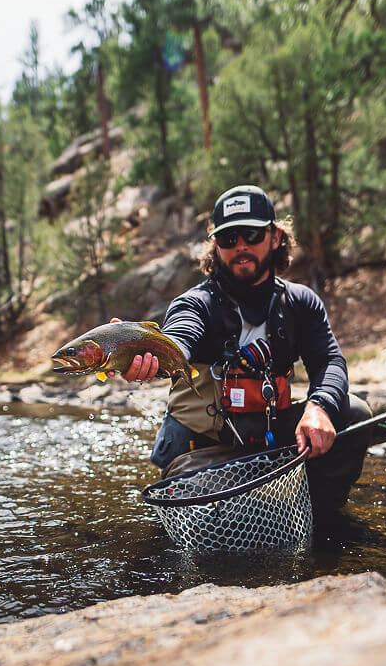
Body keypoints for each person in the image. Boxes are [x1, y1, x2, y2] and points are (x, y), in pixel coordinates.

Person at [117, 184, 372, 513]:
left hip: (269, 437)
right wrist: (139, 350)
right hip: (202, 449)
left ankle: (320, 520)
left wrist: (319, 407)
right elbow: (180, 338)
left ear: (276, 236)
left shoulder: (300, 303)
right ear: (216, 246)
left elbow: (330, 361)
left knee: (353, 413)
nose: (241, 246)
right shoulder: (194, 305)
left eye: (252, 234)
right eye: (228, 238)